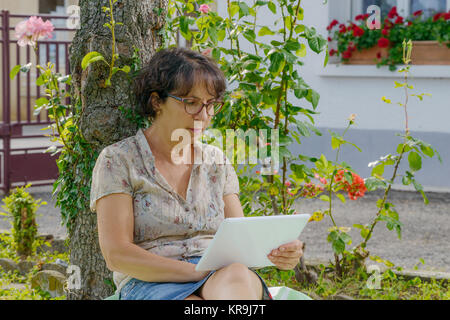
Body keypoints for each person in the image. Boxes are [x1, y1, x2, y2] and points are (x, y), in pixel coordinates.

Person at [90, 47, 304, 300]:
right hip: (151, 280)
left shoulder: (216, 161)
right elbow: (117, 255)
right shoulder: (119, 160)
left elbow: (241, 242)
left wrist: (280, 253)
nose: (203, 116)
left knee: (237, 274)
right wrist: (194, 271)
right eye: (191, 103)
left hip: (220, 275)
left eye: (211, 105)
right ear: (156, 101)